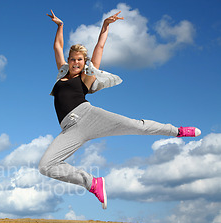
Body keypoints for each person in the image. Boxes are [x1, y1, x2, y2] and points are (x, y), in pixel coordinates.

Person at [38, 10, 201, 209]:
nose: (75, 62)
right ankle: (92, 183)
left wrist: (105, 27)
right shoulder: (61, 75)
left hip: (88, 117)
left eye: (80, 60)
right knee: (46, 166)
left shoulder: (85, 78)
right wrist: (60, 26)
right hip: (69, 130)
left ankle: (177, 131)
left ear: (84, 62)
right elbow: (57, 47)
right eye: (72, 59)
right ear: (69, 60)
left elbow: (100, 47)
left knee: (135, 126)